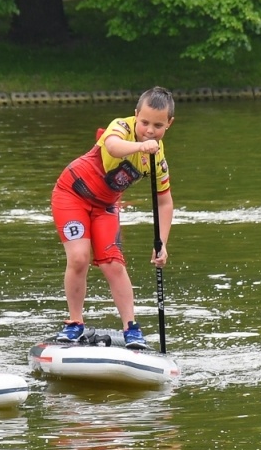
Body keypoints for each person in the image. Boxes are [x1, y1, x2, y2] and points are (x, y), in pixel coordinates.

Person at [50, 86, 175, 349]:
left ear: (169, 124)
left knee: (113, 265)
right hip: (72, 194)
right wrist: (142, 145)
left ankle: (131, 329)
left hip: (105, 206)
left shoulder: (158, 158)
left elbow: (164, 202)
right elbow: (114, 147)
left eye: (157, 125)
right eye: (144, 122)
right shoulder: (120, 127)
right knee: (79, 257)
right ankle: (74, 324)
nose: (149, 130)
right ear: (135, 115)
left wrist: (161, 242)